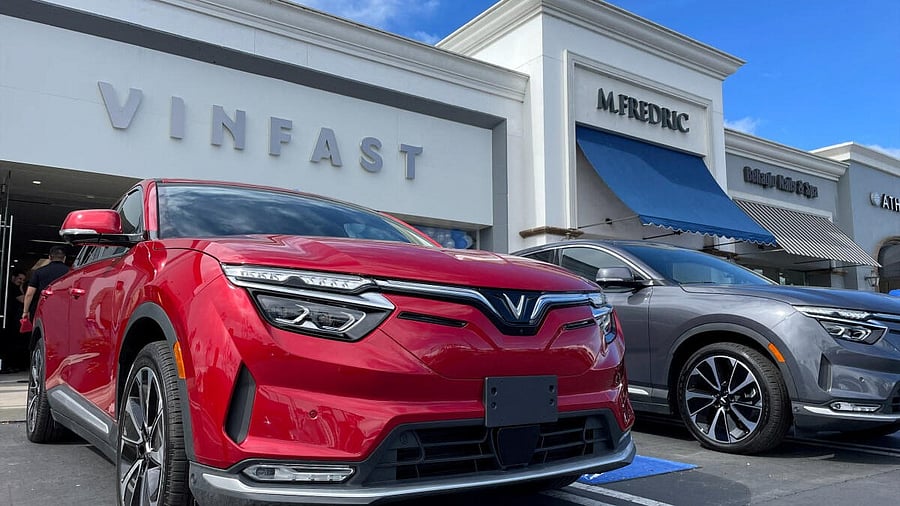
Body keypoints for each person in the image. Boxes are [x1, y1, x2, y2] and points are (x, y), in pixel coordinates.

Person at [22, 246, 71, 323]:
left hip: (41, 307)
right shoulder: (71, 272)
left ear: (49, 257)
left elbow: (29, 294)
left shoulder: (39, 272)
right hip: (63, 308)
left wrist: (25, 311)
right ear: (64, 258)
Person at [0, 270, 27, 373]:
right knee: (10, 343)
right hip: (10, 320)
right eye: (20, 279)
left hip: (9, 319)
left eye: (23, 280)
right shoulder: (13, 288)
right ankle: (7, 366)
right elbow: (24, 300)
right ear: (13, 277)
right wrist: (22, 289)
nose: (21, 281)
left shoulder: (10, 288)